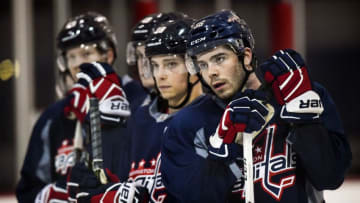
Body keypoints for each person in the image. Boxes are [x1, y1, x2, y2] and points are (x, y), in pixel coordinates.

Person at [160, 10, 352, 203]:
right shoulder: (186, 124)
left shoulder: (297, 93)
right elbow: (191, 197)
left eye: (219, 59)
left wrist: (303, 117)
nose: (211, 73)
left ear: (246, 56)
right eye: (202, 65)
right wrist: (223, 148)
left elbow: (330, 178)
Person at [66, 16, 204, 203]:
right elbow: (122, 180)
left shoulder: (212, 119)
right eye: (155, 65)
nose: (160, 75)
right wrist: (104, 190)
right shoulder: (140, 118)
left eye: (171, 64)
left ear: (194, 65)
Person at [16, 11, 130, 202]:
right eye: (72, 56)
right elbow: (28, 189)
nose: (77, 64)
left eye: (86, 53)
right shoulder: (53, 117)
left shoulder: (137, 102)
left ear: (108, 55)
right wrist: (45, 196)